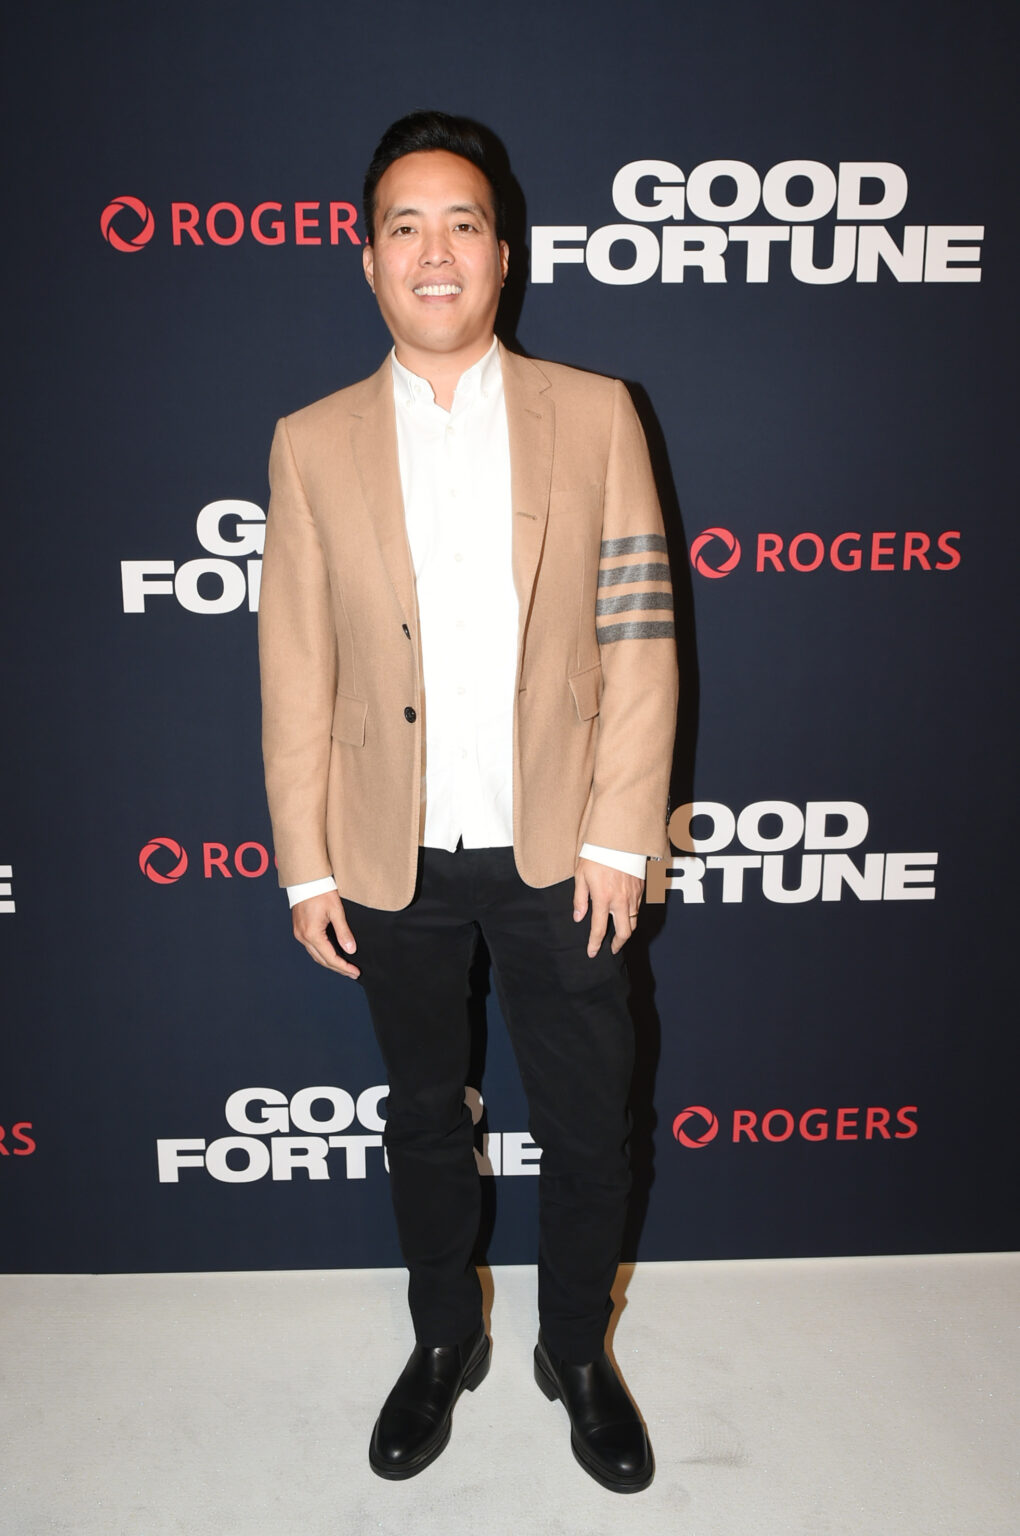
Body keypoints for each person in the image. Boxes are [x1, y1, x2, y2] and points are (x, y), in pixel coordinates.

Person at [258, 110, 678, 1493]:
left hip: (568, 853)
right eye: (404, 226)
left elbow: (638, 630)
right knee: (424, 1114)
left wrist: (622, 831)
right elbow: (296, 668)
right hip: (395, 864)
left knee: (588, 1118)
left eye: (463, 224)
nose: (434, 251)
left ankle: (574, 1351)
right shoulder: (311, 445)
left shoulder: (597, 411)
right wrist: (308, 865)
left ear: (504, 253)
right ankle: (446, 1345)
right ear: (367, 259)